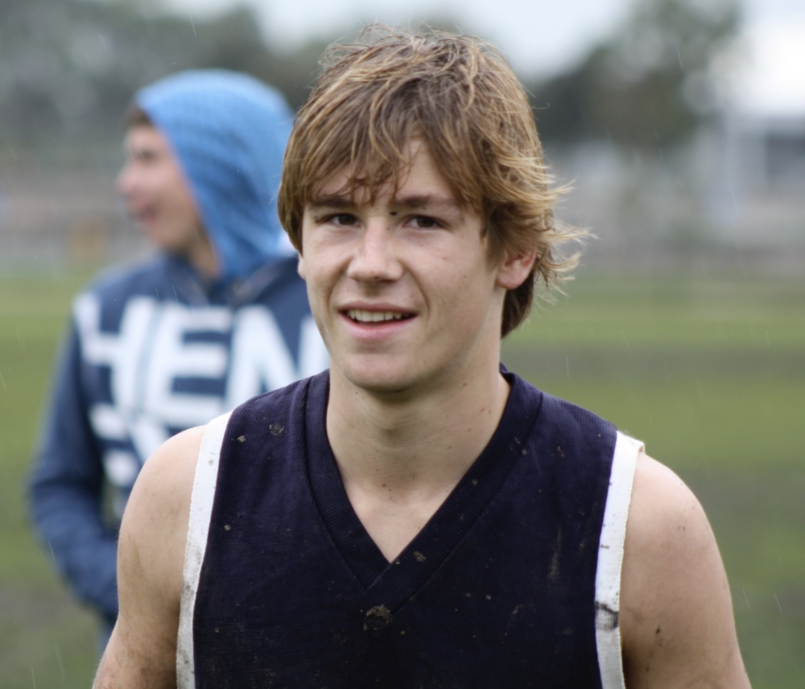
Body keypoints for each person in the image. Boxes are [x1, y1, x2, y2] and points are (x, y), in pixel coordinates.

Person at [94, 29, 750, 689]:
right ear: (297, 242)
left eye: (421, 220)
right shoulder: (187, 496)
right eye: (339, 217)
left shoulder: (641, 527)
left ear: (515, 249)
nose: (371, 265)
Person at [28, 70, 327, 643]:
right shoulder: (107, 309)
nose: (126, 183)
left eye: (148, 158)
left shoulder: (333, 302)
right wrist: (129, 595)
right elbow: (60, 482)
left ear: (221, 163)